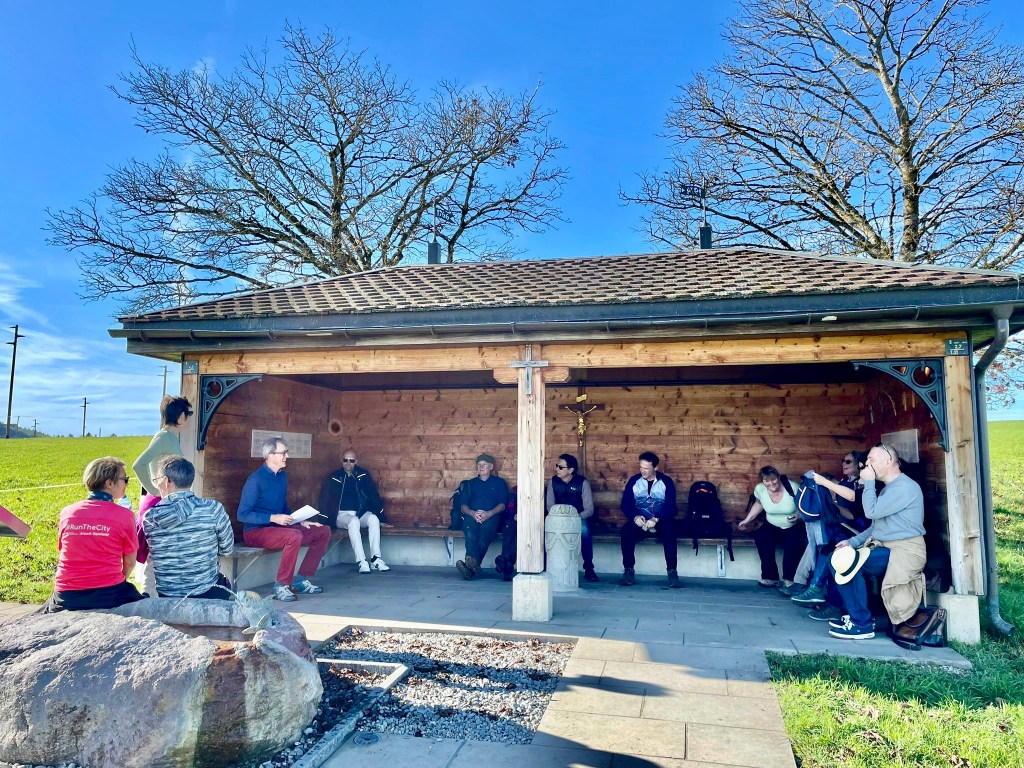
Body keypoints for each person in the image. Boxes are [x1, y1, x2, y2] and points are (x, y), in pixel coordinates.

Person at [827, 443, 928, 641]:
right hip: (884, 545)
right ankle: (856, 617)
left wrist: (869, 483)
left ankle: (861, 624)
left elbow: (871, 512)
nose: (866, 464)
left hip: (905, 550)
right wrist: (852, 542)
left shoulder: (905, 487)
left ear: (888, 461)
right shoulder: (888, 489)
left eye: (871, 459)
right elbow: (876, 527)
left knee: (850, 564)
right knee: (838, 559)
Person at [39, 457, 146, 613]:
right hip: (108, 594)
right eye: (125, 479)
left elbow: (64, 551)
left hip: (66, 596)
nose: (127, 484)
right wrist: (116, 581)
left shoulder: (68, 512)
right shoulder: (125, 516)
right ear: (110, 483)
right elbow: (129, 563)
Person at [237, 437, 331, 602]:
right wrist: (272, 517)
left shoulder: (282, 476)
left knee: (322, 531)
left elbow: (282, 507)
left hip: (279, 528)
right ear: (270, 455)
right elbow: (242, 514)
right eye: (283, 453)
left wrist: (300, 520)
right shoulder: (255, 480)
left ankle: (300, 580)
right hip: (255, 532)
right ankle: (281, 585)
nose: (287, 456)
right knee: (293, 536)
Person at [143, 455, 235, 599]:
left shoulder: (150, 518)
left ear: (166, 481)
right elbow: (227, 549)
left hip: (168, 595)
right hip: (208, 592)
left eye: (157, 480)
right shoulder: (213, 509)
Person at [131, 396, 193, 593]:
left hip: (165, 500)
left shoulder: (169, 437)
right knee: (155, 558)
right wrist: (154, 490)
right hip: (159, 502)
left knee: (161, 557)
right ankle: (148, 599)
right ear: (181, 416)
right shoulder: (164, 437)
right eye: (188, 414)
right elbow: (138, 464)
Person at [791, 450, 868, 607]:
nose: (843, 464)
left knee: (828, 544)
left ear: (859, 465)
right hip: (843, 527)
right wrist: (830, 504)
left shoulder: (862, 485)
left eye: (848, 461)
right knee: (820, 541)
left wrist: (829, 493)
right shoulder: (845, 482)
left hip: (859, 530)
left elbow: (852, 512)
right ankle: (813, 588)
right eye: (843, 461)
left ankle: (811, 587)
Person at [318, 448, 390, 574]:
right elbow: (325, 499)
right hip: (341, 515)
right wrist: (324, 521)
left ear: (356, 461)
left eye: (351, 461)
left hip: (359, 512)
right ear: (341, 461)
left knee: (373, 519)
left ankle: (375, 559)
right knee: (353, 521)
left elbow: (373, 495)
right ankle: (361, 561)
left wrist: (381, 517)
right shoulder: (334, 477)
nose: (348, 463)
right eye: (345, 460)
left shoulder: (362, 475)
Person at [737, 466, 807, 590]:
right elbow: (759, 504)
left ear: (778, 477)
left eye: (773, 479)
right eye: (766, 480)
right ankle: (770, 577)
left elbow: (806, 508)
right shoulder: (760, 489)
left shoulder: (793, 487)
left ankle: (789, 579)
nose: (771, 483)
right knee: (762, 538)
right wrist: (747, 520)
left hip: (793, 524)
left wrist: (799, 517)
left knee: (793, 542)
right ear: (763, 481)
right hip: (772, 524)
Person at [619, 451, 680, 588]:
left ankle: (672, 572)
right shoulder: (634, 481)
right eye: (641, 467)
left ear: (656, 467)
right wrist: (634, 516)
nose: (642, 471)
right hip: (641, 521)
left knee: (670, 532)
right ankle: (628, 570)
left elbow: (670, 506)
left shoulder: (666, 482)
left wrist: (656, 519)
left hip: (661, 521)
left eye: (646, 468)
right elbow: (625, 504)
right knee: (626, 531)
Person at [455, 454, 508, 580]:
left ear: (491, 467)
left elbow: (502, 505)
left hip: (491, 516)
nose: (481, 467)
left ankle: (470, 566)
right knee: (470, 532)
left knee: (485, 532)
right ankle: (473, 565)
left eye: (484, 465)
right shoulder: (470, 484)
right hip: (472, 516)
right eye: (479, 465)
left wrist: (488, 514)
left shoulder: (499, 483)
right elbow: (463, 506)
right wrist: (473, 513)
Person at [547, 454, 598, 582]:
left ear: (570, 470)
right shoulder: (553, 482)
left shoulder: (582, 483)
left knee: (585, 531)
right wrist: (559, 518)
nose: (557, 469)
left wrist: (575, 518)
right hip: (557, 519)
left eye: (560, 467)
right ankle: (545, 565)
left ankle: (589, 568)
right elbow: (549, 506)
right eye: (557, 466)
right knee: (543, 530)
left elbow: (589, 509)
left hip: (578, 519)